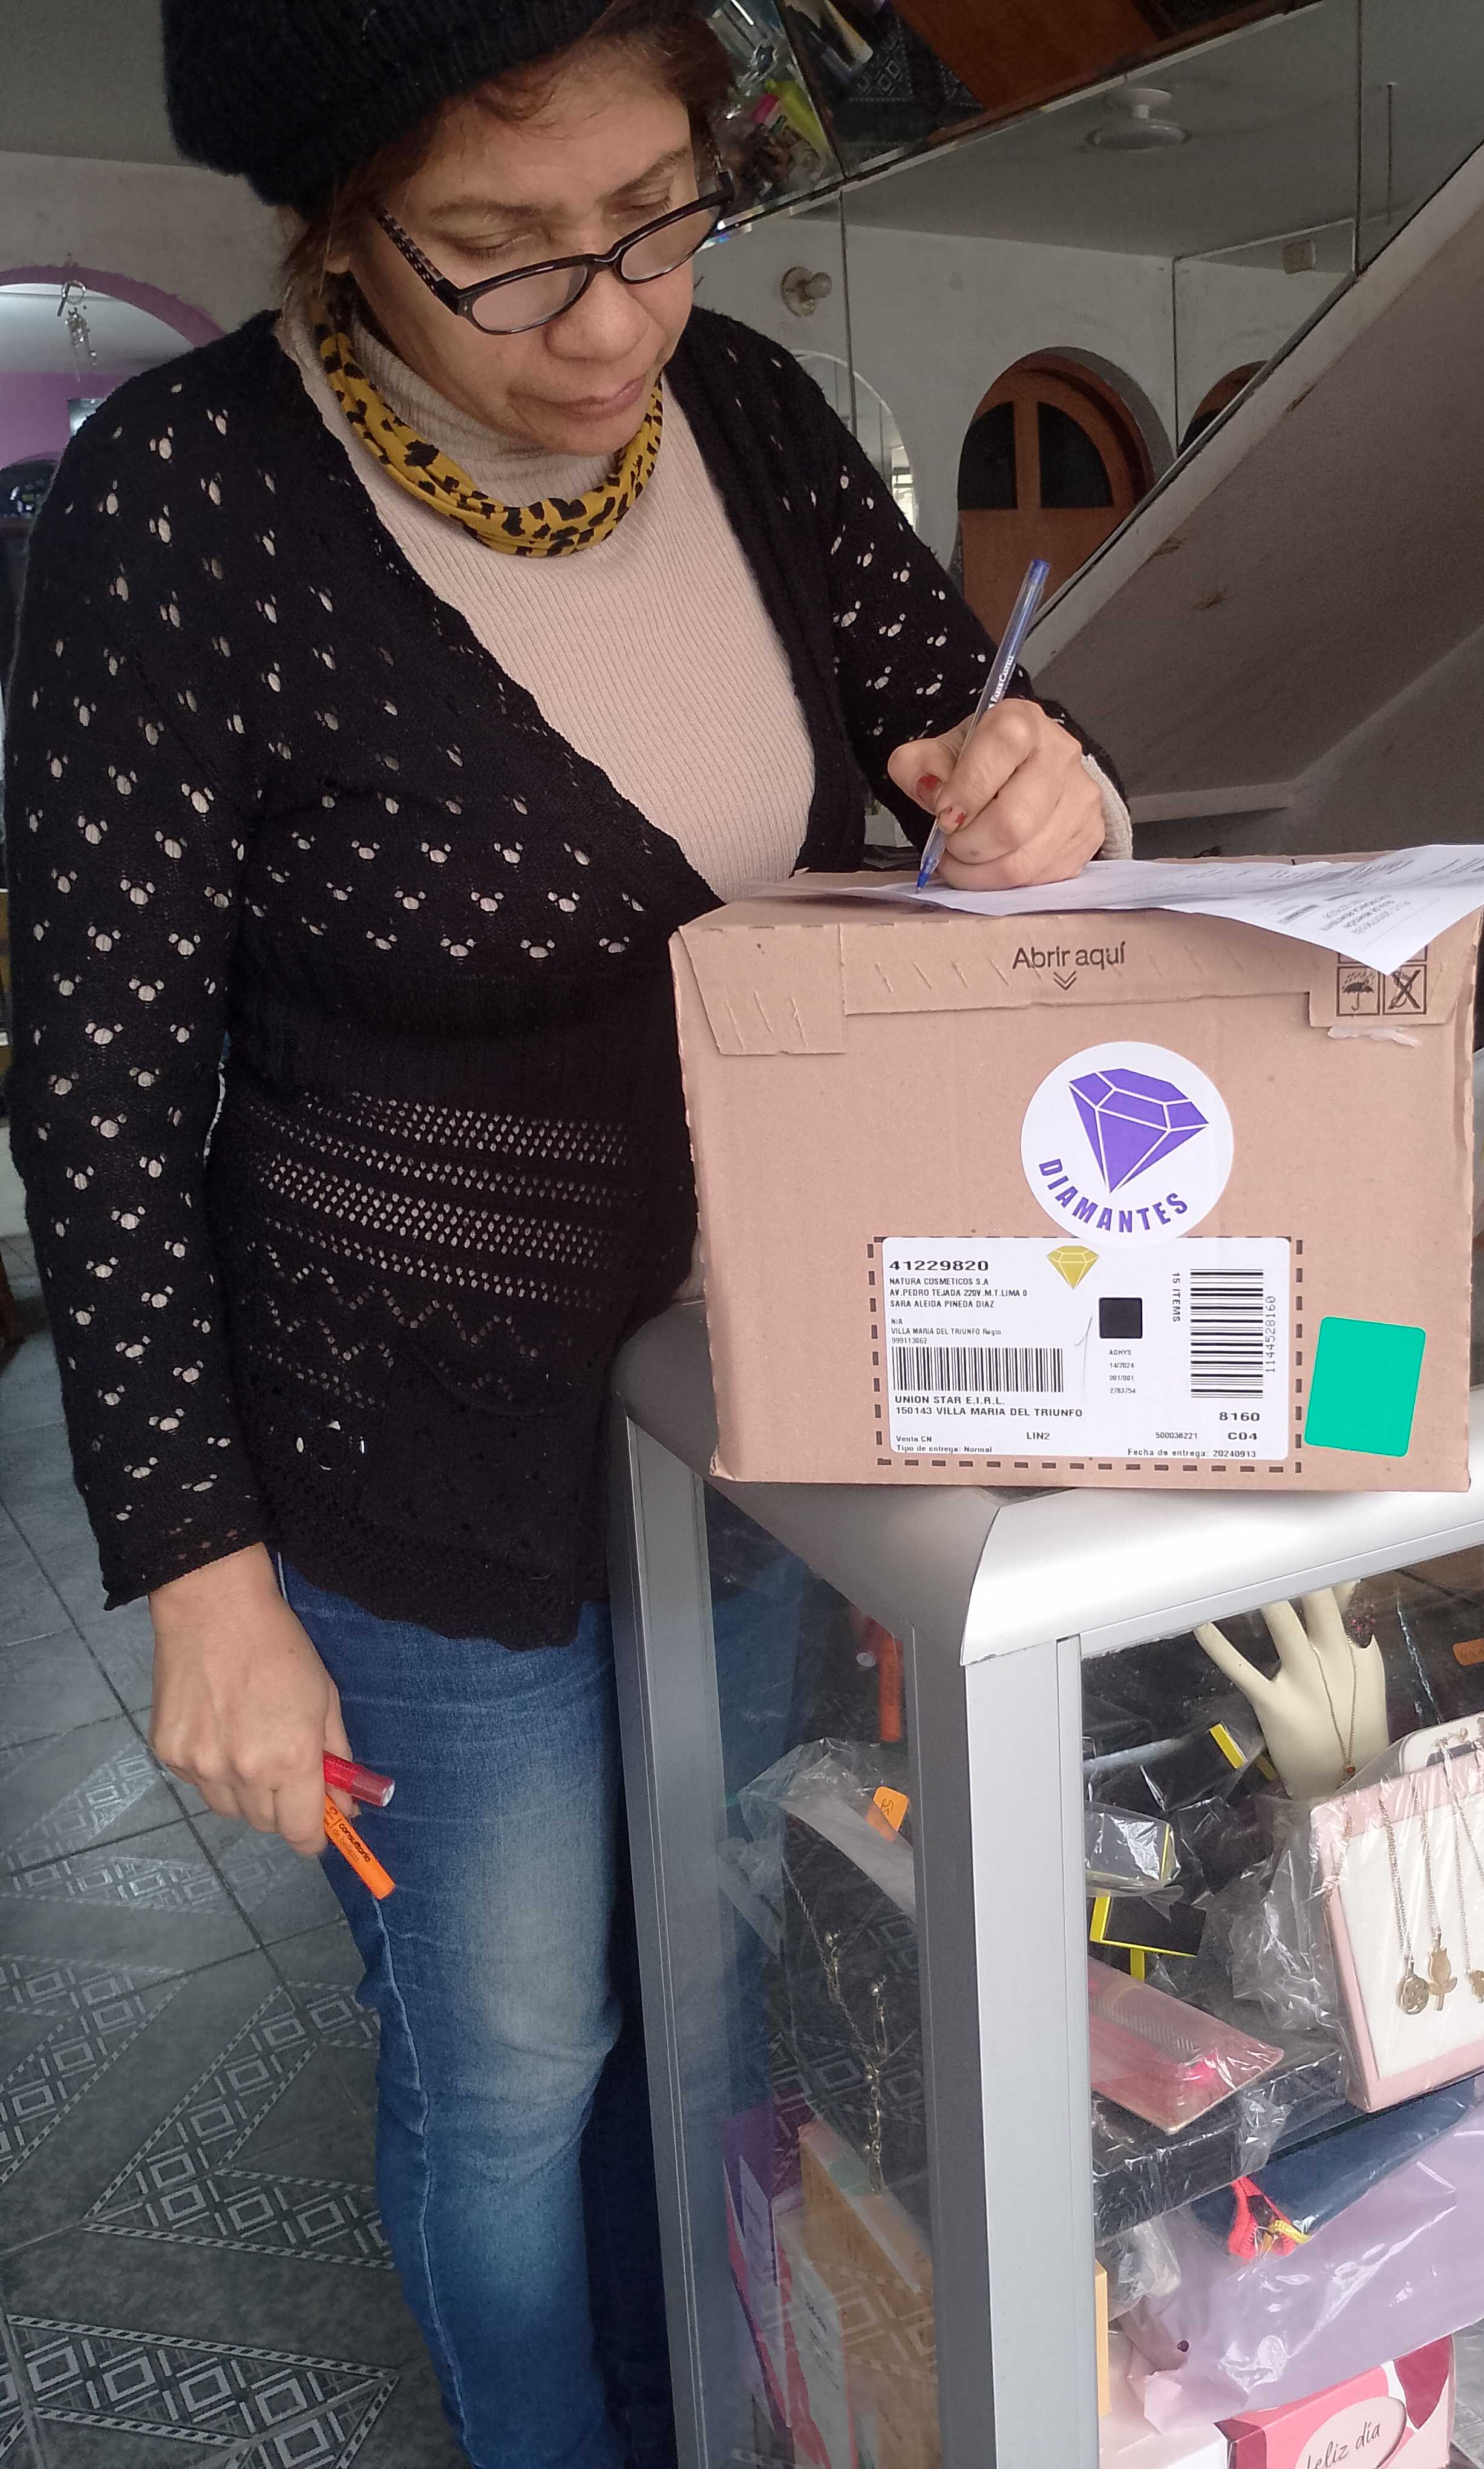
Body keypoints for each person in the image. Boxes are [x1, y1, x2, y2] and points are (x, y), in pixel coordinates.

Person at [4, 4, 1126, 2461]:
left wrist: (1044, 793)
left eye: (652, 218)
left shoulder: (748, 415)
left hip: (748, 1402)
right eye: (504, 255)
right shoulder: (186, 499)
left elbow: (976, 738)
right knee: (516, 2057)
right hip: (406, 1460)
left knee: (718, 1974)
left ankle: (697, 2405)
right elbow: (97, 1090)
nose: (610, 318)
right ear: (338, 233)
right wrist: (200, 1579)